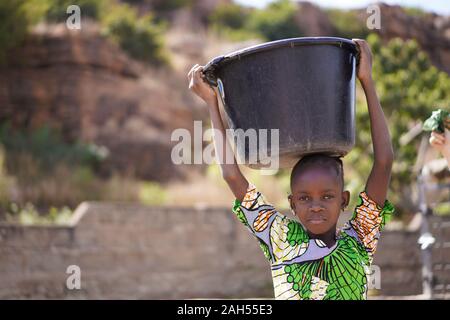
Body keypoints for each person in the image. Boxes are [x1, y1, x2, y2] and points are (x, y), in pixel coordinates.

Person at [187, 39, 395, 300]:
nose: (315, 206)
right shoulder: (281, 238)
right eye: (304, 198)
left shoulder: (360, 241)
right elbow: (231, 175)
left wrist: (366, 80)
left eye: (327, 196)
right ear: (292, 203)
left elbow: (384, 161)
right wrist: (212, 104)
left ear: (344, 199)